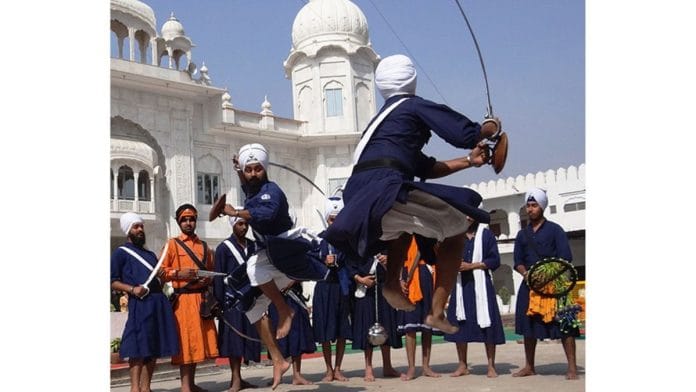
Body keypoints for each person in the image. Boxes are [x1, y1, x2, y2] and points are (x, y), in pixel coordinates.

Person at [323, 53, 504, 334]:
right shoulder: (413, 106)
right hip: (386, 187)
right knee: (457, 224)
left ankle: (393, 283)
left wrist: (469, 161)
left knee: (401, 226)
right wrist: (487, 129)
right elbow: (462, 133)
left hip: (359, 195)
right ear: (412, 80)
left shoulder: (380, 125)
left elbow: (424, 167)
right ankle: (437, 311)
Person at [218, 142, 329, 389]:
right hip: (272, 258)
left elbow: (266, 215)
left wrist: (234, 211)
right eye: (249, 170)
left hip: (286, 251)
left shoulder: (272, 191)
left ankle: (285, 311)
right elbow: (248, 188)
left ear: (265, 169)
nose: (253, 174)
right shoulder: (253, 191)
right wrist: (239, 170)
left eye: (258, 169)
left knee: (253, 269)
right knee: (249, 305)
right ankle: (278, 359)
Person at [512, 188, 579, 380]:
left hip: (555, 286)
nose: (530, 209)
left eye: (534, 206)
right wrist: (527, 275)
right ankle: (529, 366)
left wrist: (547, 277)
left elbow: (566, 257)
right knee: (528, 327)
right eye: (528, 205)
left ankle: (572, 368)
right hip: (530, 285)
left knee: (565, 325)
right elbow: (518, 261)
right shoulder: (522, 234)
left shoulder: (555, 230)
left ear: (542, 207)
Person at [110, 212, 179, 392]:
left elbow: (158, 281)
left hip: (158, 303)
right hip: (140, 304)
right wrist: (132, 289)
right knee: (137, 346)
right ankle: (135, 388)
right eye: (136, 226)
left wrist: (162, 278)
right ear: (128, 231)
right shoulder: (120, 253)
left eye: (141, 226)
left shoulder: (149, 254)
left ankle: (146, 388)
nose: (140, 229)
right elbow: (112, 280)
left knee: (153, 346)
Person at [160, 204, 219, 392]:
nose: (188, 223)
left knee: (197, 343)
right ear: (179, 222)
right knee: (186, 342)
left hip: (201, 300)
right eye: (184, 219)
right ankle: (185, 387)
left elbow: (210, 271)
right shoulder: (172, 244)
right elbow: (160, 271)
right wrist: (179, 273)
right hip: (183, 301)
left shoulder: (204, 246)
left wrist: (206, 277)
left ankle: (191, 384)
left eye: (191, 219)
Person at [445, 215, 505, 378]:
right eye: (464, 214)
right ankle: (462, 365)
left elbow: (495, 260)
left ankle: (491, 366)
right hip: (460, 286)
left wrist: (472, 266)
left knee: (488, 325)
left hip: (481, 286)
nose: (467, 217)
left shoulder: (486, 235)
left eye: (471, 214)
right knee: (459, 325)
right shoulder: (454, 235)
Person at [213, 212, 262, 392]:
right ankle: (235, 379)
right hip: (231, 301)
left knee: (247, 338)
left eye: (245, 224)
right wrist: (220, 302)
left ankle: (242, 378)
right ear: (233, 225)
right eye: (240, 224)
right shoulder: (223, 248)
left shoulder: (253, 246)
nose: (244, 227)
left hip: (250, 299)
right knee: (234, 341)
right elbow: (218, 277)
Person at [312, 197, 353, 382]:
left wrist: (338, 259)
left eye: (338, 219)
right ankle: (328, 369)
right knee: (325, 331)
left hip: (341, 286)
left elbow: (352, 261)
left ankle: (338, 368)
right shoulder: (318, 239)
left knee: (341, 329)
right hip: (324, 288)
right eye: (331, 219)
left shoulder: (346, 240)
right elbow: (310, 262)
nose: (334, 223)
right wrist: (323, 260)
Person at [349, 253, 403, 382]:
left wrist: (387, 263)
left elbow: (397, 266)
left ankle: (387, 366)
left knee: (386, 325)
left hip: (384, 287)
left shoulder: (386, 244)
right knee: (367, 326)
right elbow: (349, 267)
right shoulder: (358, 246)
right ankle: (368, 368)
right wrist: (360, 279)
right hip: (365, 289)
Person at [396, 236, 442, 381]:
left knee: (426, 326)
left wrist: (408, 276)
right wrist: (400, 279)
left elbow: (420, 252)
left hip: (423, 273)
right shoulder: (400, 234)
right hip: (405, 273)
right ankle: (411, 367)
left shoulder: (423, 230)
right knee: (410, 327)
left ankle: (426, 366)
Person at [268, 282, 316, 386]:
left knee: (296, 335)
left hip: (293, 294)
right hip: (275, 294)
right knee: (277, 336)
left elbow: (302, 270)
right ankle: (277, 374)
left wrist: (290, 282)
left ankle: (297, 375)